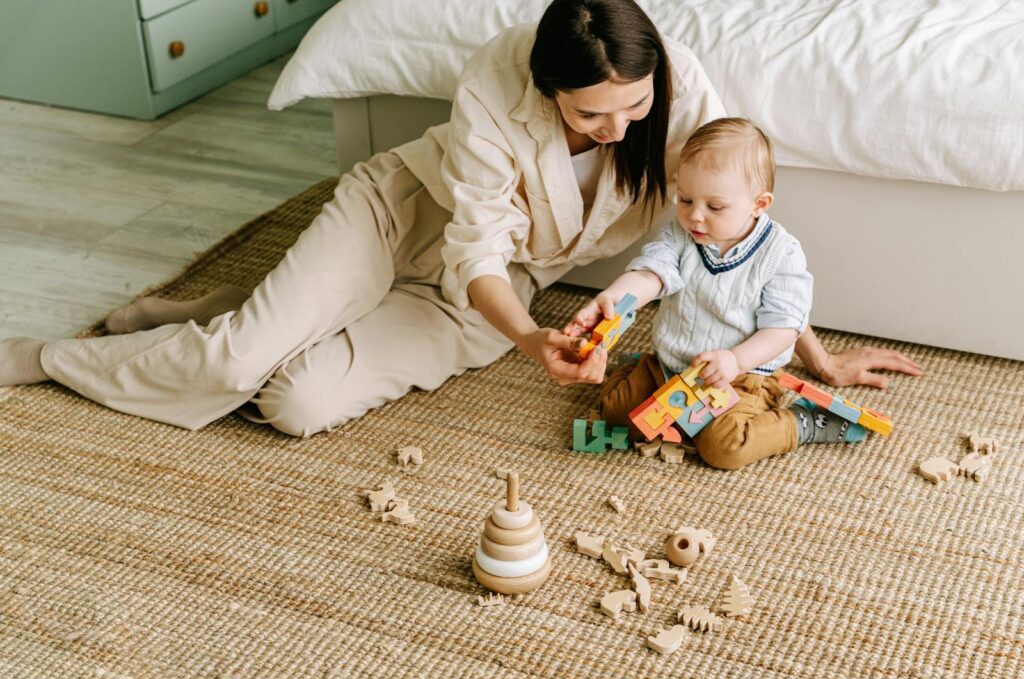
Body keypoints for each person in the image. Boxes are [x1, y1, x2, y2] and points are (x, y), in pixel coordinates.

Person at [0, 0, 920, 437]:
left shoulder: (674, 94)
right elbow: (474, 239)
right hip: (406, 219)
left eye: (631, 106)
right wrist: (531, 341)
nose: (619, 128)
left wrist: (820, 359)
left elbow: (715, 247)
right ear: (545, 84)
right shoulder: (495, 76)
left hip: (495, 288)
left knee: (293, 401)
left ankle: (222, 311)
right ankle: (46, 359)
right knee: (240, 360)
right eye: (591, 114)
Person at [566, 118, 920, 470]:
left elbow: (784, 329)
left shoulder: (780, 253)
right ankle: (637, 369)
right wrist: (612, 298)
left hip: (743, 376)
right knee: (615, 411)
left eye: (714, 207)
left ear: (759, 204)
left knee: (725, 448)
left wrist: (736, 360)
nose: (695, 216)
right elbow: (651, 274)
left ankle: (800, 423)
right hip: (670, 366)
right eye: (685, 199)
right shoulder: (680, 233)